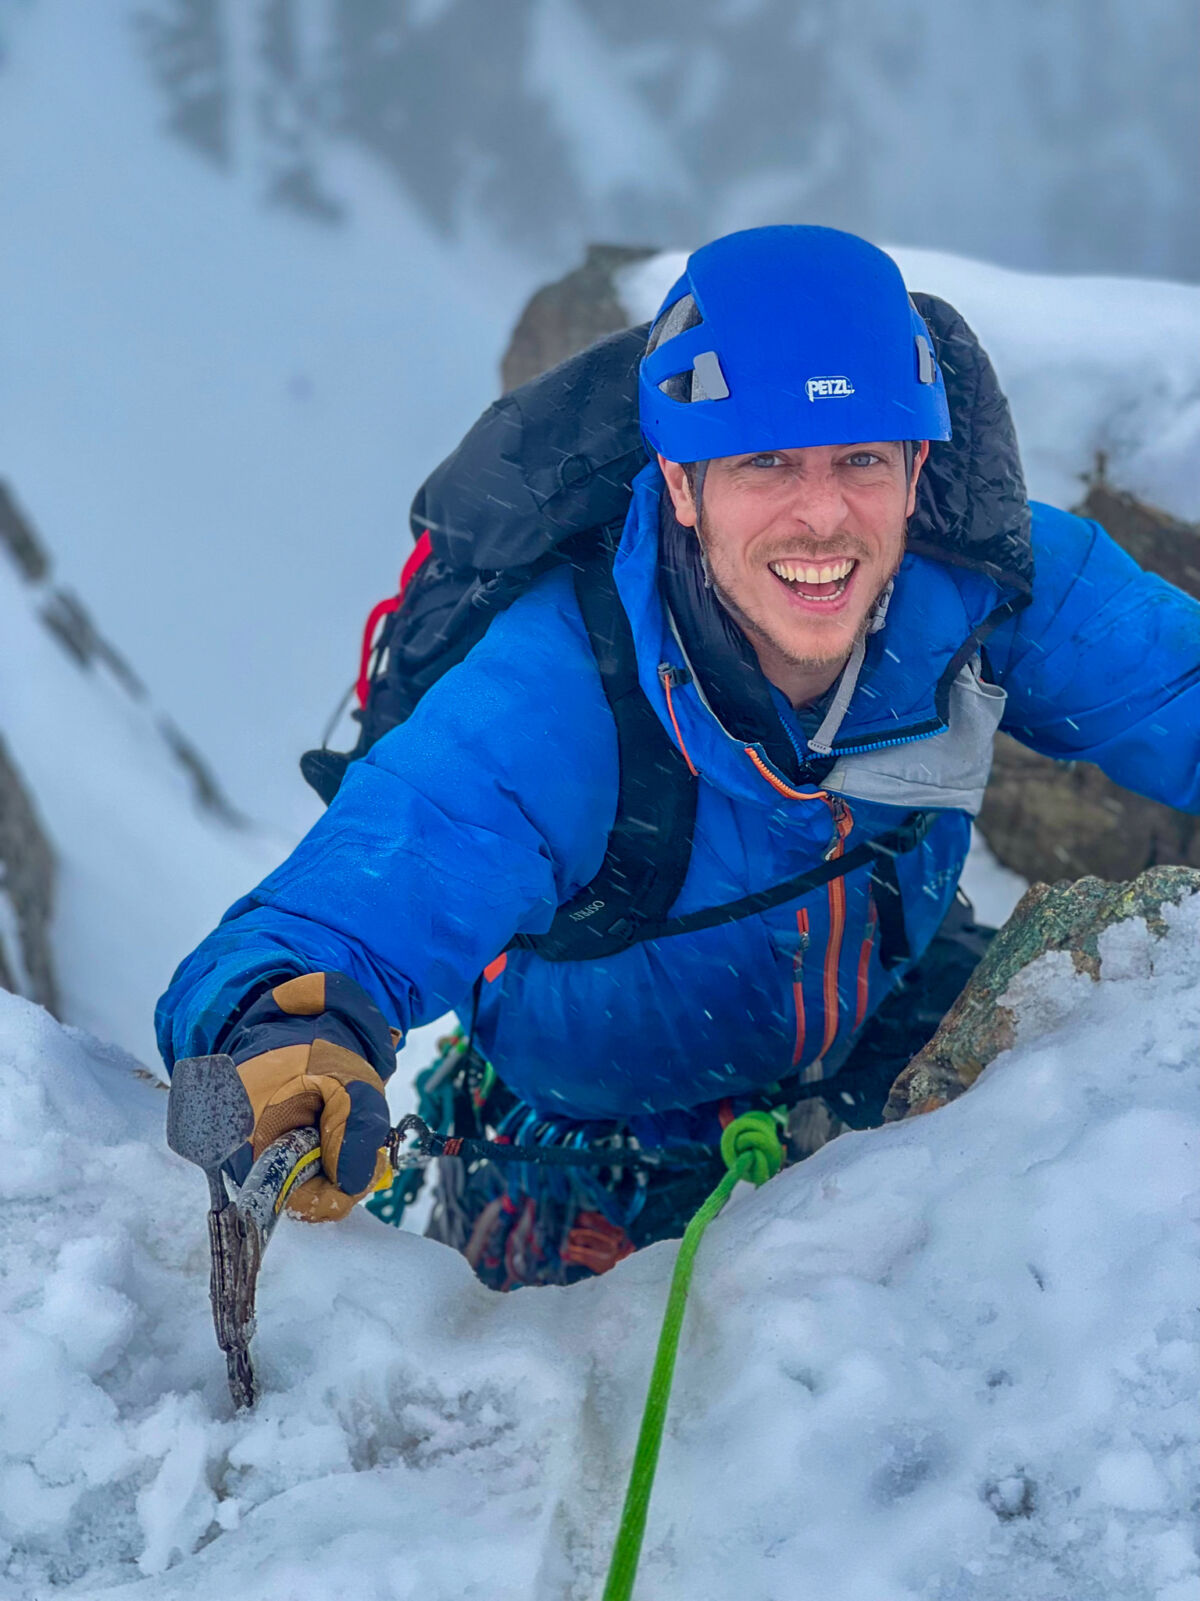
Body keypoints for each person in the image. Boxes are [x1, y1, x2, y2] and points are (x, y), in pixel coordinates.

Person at [156, 225, 1200, 1288]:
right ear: (683, 485)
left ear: (918, 467)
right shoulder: (563, 690)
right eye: (764, 461)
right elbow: (325, 921)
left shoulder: (986, 582)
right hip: (600, 1123)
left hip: (884, 1013)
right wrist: (285, 1040)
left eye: (862, 459)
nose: (824, 516)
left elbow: (1178, 687)